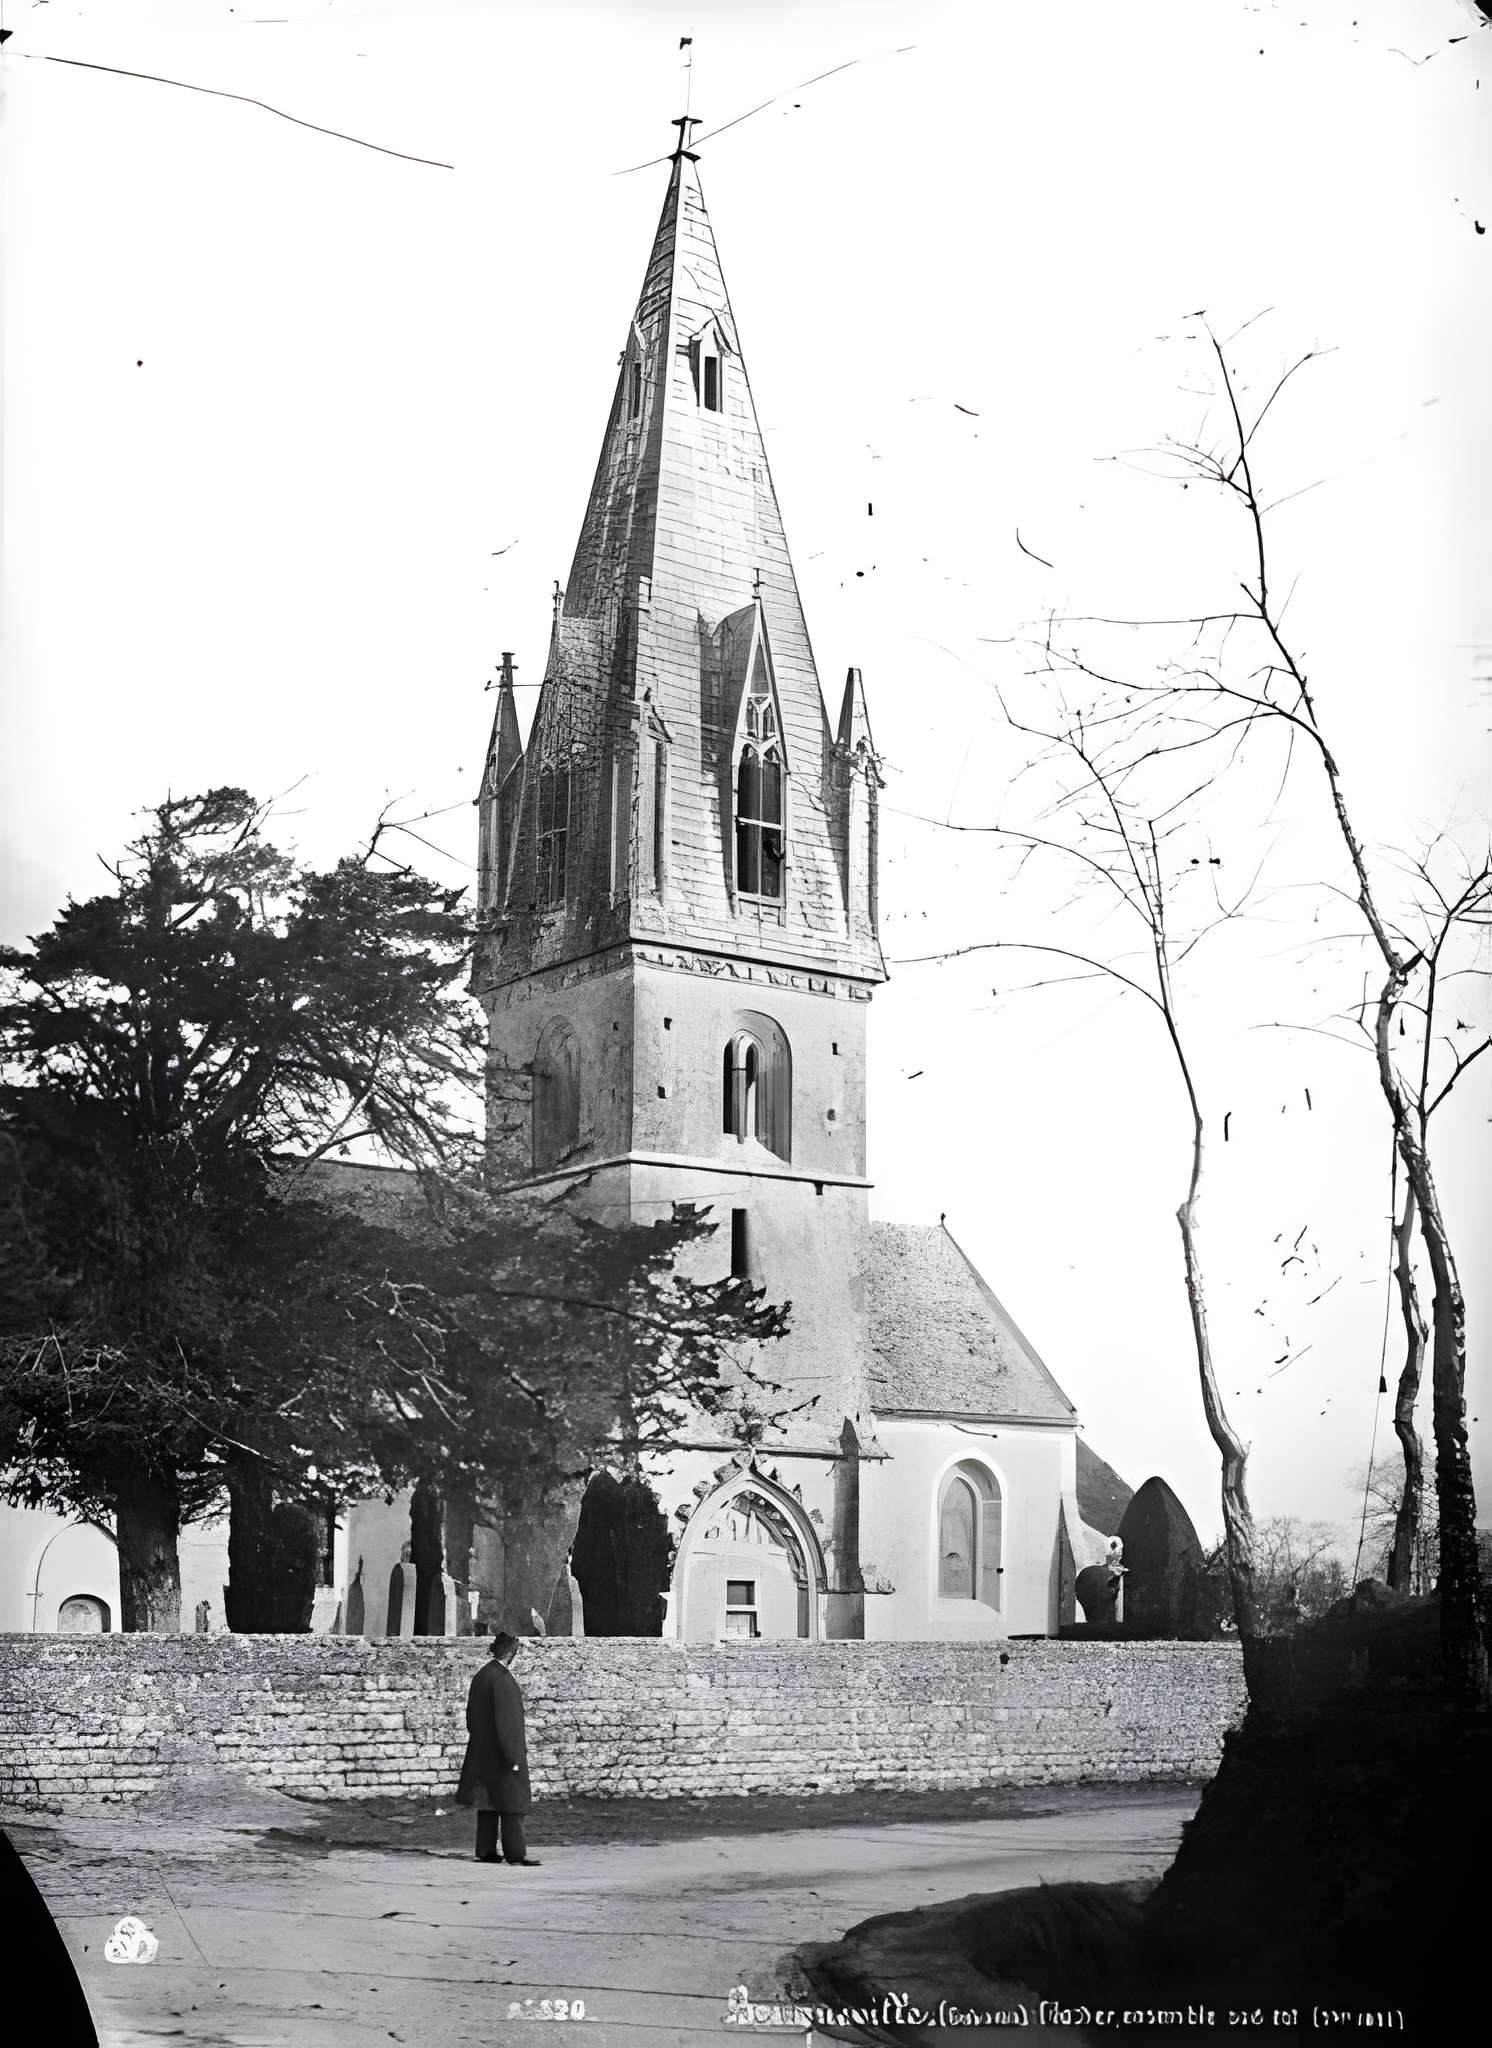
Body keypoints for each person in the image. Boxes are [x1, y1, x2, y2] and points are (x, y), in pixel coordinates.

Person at [456, 1632, 540, 1867]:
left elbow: (471, 1719)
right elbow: (508, 1723)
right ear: (511, 1653)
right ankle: (515, 1853)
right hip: (503, 1754)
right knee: (513, 1804)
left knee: (488, 1803)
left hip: (483, 1753)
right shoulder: (502, 1680)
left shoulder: (482, 1676)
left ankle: (485, 1851)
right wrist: (513, 1757)